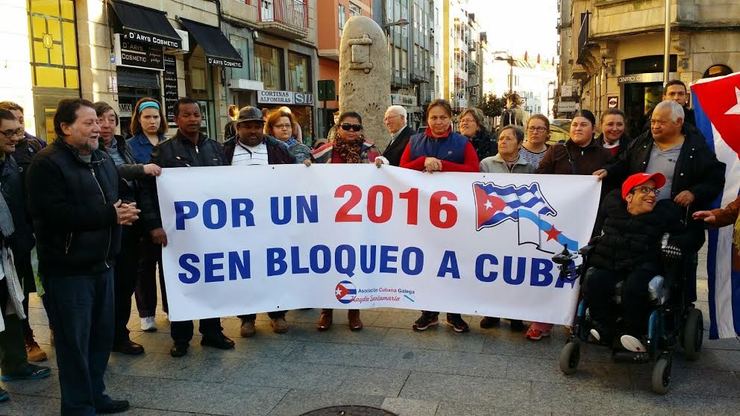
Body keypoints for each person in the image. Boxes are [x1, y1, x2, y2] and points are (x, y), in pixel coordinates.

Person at [27, 98, 138, 414]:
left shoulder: (102, 159)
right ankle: (77, 406)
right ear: (64, 127)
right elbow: (53, 215)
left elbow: (113, 200)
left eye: (99, 122)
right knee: (74, 344)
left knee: (100, 338)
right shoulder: (46, 164)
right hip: (68, 271)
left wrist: (123, 212)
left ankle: (96, 394)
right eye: (89, 122)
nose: (98, 127)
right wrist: (109, 216)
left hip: (103, 265)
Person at [595, 100, 726, 306]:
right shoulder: (643, 142)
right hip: (639, 221)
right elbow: (623, 163)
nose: (655, 126)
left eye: (662, 122)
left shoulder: (695, 148)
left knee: (666, 267)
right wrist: (608, 171)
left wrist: (694, 193)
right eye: (653, 121)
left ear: (679, 122)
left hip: (672, 221)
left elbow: (715, 178)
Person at [139, 97, 235, 358]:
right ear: (176, 119)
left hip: (211, 231)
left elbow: (229, 187)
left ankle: (212, 331)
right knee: (179, 282)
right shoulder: (164, 151)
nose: (193, 119)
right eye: (186, 115)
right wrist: (154, 226)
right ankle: (181, 337)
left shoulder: (215, 149)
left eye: (196, 114)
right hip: (178, 234)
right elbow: (148, 192)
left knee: (211, 280)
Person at [528, 109, 612, 341]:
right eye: (574, 124)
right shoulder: (557, 151)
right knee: (551, 266)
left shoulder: (604, 155)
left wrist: (608, 173)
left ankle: (574, 318)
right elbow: (539, 177)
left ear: (593, 129)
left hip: (590, 223)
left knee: (581, 269)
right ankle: (542, 321)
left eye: (583, 125)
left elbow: (614, 182)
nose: (577, 128)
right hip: (558, 222)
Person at [397, 99, 479, 333]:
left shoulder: (462, 143)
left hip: (454, 216)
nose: (438, 121)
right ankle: (429, 313)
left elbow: (473, 171)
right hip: (422, 215)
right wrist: (422, 161)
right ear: (427, 119)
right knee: (426, 263)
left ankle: (454, 314)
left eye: (443, 117)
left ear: (450, 119)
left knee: (452, 264)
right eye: (434, 117)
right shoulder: (414, 141)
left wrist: (443, 165)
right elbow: (402, 168)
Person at [585, 173, 683, 352]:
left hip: (644, 264)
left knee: (634, 287)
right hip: (614, 262)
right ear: (628, 196)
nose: (652, 195)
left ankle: (634, 332)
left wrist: (676, 245)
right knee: (596, 281)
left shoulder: (662, 217)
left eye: (654, 191)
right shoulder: (614, 214)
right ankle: (604, 326)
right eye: (645, 190)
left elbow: (684, 235)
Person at [94, 101, 161, 356]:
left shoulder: (123, 145)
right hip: (107, 227)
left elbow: (136, 184)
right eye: (100, 120)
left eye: (111, 119)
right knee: (107, 287)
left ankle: (120, 335)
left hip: (132, 226)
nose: (106, 125)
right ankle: (105, 335)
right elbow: (112, 170)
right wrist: (141, 169)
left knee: (125, 284)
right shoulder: (91, 150)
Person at [223, 106, 297, 337]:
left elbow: (298, 177)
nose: (253, 130)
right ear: (238, 127)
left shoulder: (278, 148)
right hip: (239, 223)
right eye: (248, 126)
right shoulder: (224, 150)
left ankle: (278, 314)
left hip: (272, 222)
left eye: (257, 126)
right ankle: (247, 318)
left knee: (275, 268)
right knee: (245, 270)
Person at [0, 108, 51, 403]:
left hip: (12, 249)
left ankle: (15, 364)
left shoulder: (11, 161)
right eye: (8, 133)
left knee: (12, 306)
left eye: (18, 131)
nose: (16, 138)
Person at [312, 111, 379, 331]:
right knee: (327, 265)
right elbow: (306, 175)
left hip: (359, 220)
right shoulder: (324, 152)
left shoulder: (370, 152)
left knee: (354, 266)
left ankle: (354, 311)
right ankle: (326, 311)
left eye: (356, 127)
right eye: (347, 126)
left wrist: (382, 166)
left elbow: (383, 178)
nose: (351, 131)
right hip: (329, 220)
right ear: (338, 128)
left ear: (361, 129)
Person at [478, 125, 532, 332]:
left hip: (517, 225)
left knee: (515, 271)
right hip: (493, 225)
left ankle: (516, 315)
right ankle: (491, 313)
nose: (503, 142)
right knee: (492, 270)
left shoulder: (528, 168)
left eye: (508, 139)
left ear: (519, 144)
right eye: (501, 138)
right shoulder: (486, 164)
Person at [128, 98, 168, 333]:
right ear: (139, 119)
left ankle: (171, 308)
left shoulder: (168, 142)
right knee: (145, 265)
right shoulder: (132, 146)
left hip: (167, 210)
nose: (152, 121)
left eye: (155, 117)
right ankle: (146, 312)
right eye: (147, 117)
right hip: (144, 209)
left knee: (168, 264)